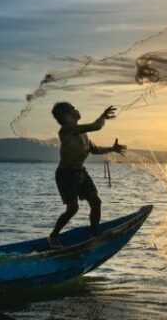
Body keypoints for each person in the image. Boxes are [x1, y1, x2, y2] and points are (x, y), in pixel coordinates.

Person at [48, 102, 126, 249]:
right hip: (66, 174)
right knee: (73, 208)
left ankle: (93, 235)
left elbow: (94, 150)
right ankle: (53, 236)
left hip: (80, 173)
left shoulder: (82, 132)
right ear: (66, 116)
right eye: (73, 109)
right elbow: (96, 126)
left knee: (96, 202)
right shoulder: (66, 129)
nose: (76, 109)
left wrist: (112, 148)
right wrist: (103, 116)